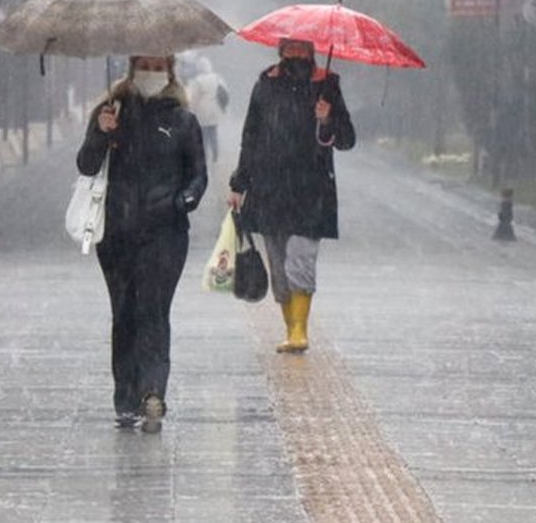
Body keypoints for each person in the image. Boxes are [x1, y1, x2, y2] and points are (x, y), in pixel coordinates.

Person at [76, 54, 208, 432]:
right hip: (116, 232)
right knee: (125, 313)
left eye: (158, 64)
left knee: (153, 310)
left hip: (165, 234)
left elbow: (198, 175)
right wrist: (102, 132)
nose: (150, 72)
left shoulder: (183, 121)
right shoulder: (111, 111)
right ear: (132, 68)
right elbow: (86, 164)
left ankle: (153, 391)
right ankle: (126, 397)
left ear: (169, 70)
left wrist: (184, 200)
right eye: (144, 64)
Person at [226, 38, 355, 354]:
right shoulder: (265, 84)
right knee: (279, 266)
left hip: (312, 191)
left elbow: (347, 139)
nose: (296, 53)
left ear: (311, 51)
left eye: (302, 48)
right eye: (290, 47)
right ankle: (289, 327)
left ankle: (300, 330)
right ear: (280, 49)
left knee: (301, 258)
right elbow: (251, 137)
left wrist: (327, 119)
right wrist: (239, 183)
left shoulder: (327, 84)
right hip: (270, 188)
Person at [184, 55, 229, 163]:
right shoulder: (217, 78)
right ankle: (215, 155)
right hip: (215, 110)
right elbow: (225, 92)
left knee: (204, 134)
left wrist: (191, 110)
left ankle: (205, 156)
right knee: (213, 133)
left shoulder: (197, 81)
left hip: (202, 110)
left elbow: (194, 97)